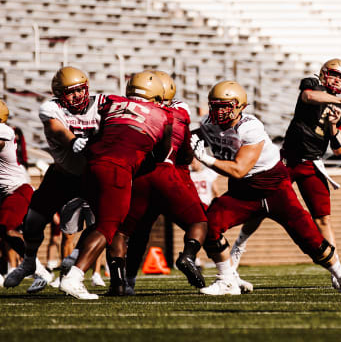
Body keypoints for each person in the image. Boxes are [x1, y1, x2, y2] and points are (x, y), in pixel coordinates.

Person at [191, 80, 341, 295]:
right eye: (215, 105)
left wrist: (204, 158)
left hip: (274, 187)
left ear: (240, 107)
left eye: (225, 106)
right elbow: (195, 136)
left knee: (310, 239)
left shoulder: (250, 126)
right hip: (244, 191)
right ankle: (226, 279)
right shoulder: (208, 123)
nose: (219, 111)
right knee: (210, 224)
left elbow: (239, 169)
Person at [229, 59, 341, 289]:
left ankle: (335, 271)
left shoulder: (340, 110)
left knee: (323, 218)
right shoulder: (313, 85)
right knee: (260, 204)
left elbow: (339, 147)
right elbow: (308, 97)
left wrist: (333, 125)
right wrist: (339, 100)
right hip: (287, 160)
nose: (337, 80)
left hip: (311, 164)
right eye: (334, 75)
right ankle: (238, 248)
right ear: (324, 73)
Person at [58, 71, 172, 300]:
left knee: (103, 223)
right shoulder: (162, 114)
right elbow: (161, 155)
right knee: (109, 226)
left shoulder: (113, 102)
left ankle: (78, 262)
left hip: (90, 164)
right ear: (158, 96)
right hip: (117, 167)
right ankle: (75, 275)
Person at [107, 70, 207, 296]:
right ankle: (189, 257)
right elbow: (184, 155)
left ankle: (123, 283)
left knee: (125, 233)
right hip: (166, 174)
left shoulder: (123, 109)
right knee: (199, 222)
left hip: (137, 178)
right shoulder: (177, 114)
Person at [3, 67, 103, 292]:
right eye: (70, 92)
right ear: (59, 94)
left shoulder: (102, 104)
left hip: (92, 176)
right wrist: (73, 139)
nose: (77, 96)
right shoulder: (51, 108)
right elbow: (56, 128)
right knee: (33, 222)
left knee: (106, 222)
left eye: (80, 90)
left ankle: (77, 260)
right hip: (62, 174)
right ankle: (29, 262)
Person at [0, 99, 49, 290]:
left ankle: (37, 269)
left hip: (18, 189)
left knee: (7, 228)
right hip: (6, 193)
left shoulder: (4, 130)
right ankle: (37, 269)